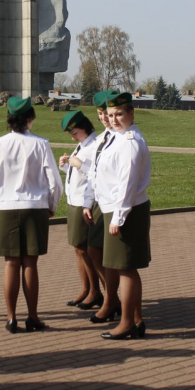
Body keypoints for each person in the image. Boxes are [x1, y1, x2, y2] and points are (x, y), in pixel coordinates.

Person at [0, 96, 63, 333]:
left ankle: (11, 316)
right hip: (35, 206)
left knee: (11, 263)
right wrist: (52, 205)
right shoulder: (40, 144)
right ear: (29, 119)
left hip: (5, 206)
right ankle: (32, 316)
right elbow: (55, 182)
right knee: (30, 264)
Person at [93, 92, 152, 340]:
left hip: (126, 210)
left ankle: (127, 323)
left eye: (119, 114)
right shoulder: (116, 138)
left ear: (131, 113)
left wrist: (119, 216)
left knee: (126, 268)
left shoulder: (129, 141)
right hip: (116, 208)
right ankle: (136, 320)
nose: (114, 119)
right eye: (110, 114)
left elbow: (127, 182)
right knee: (123, 267)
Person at [82, 90, 120, 323]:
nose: (104, 117)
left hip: (115, 203)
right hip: (99, 201)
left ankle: (113, 300)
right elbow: (93, 174)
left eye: (107, 112)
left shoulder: (121, 138)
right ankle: (111, 297)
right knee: (94, 249)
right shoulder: (102, 139)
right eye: (101, 113)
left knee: (114, 258)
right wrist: (88, 202)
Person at [58, 110, 102, 310]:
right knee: (78, 249)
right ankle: (86, 289)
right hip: (74, 199)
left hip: (84, 201)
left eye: (74, 132)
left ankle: (95, 291)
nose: (72, 136)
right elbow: (78, 174)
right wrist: (66, 167)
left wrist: (80, 165)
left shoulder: (94, 146)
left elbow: (95, 174)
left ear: (84, 128)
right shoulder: (83, 144)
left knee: (84, 249)